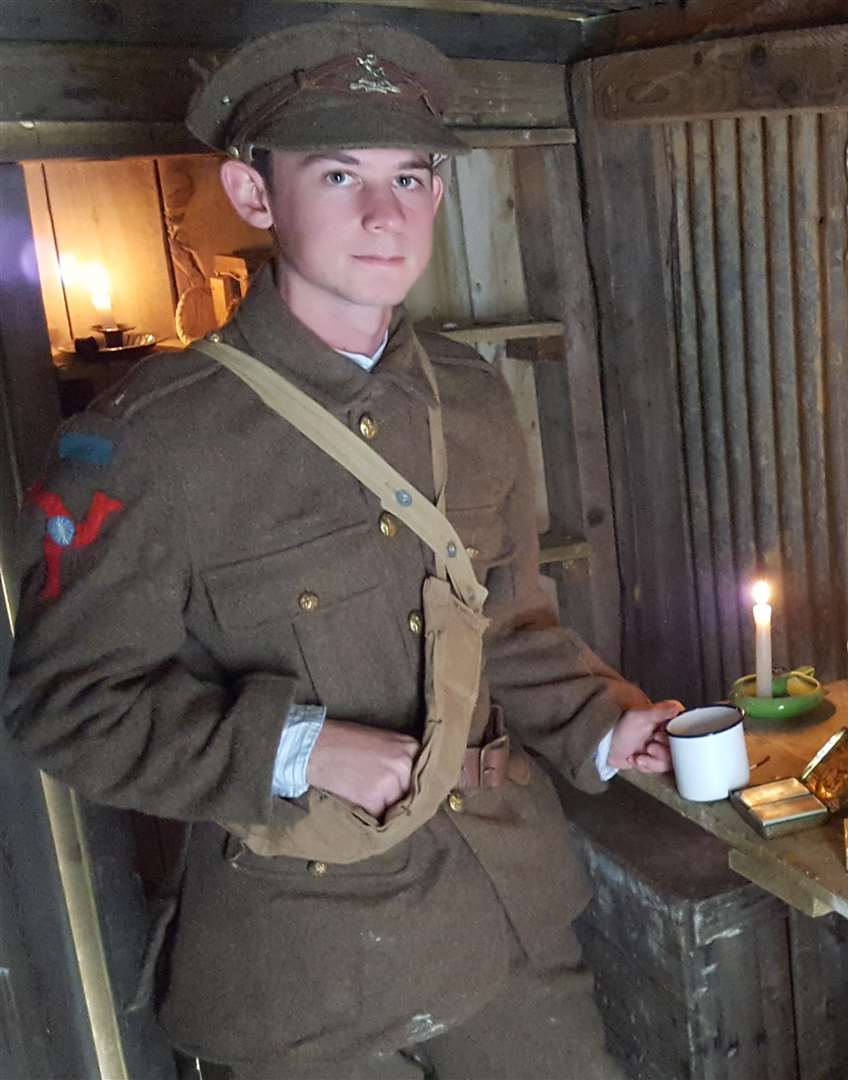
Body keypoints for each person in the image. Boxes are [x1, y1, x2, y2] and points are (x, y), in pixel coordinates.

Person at [0, 14, 683, 1078]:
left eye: (411, 178)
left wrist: (606, 723)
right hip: (304, 976)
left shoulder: (472, 400)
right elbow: (64, 706)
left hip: (508, 924)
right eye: (337, 176)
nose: (384, 214)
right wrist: (301, 747)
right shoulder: (149, 442)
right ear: (255, 196)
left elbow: (502, 624)